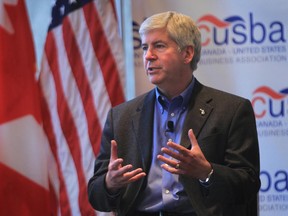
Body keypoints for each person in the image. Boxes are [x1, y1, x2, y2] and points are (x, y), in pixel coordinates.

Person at [88, 11, 260, 216]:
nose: (148, 56)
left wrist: (207, 173)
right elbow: (95, 194)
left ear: (187, 54)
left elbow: (248, 185)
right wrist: (110, 184)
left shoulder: (231, 110)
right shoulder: (122, 116)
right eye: (144, 48)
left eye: (159, 46)